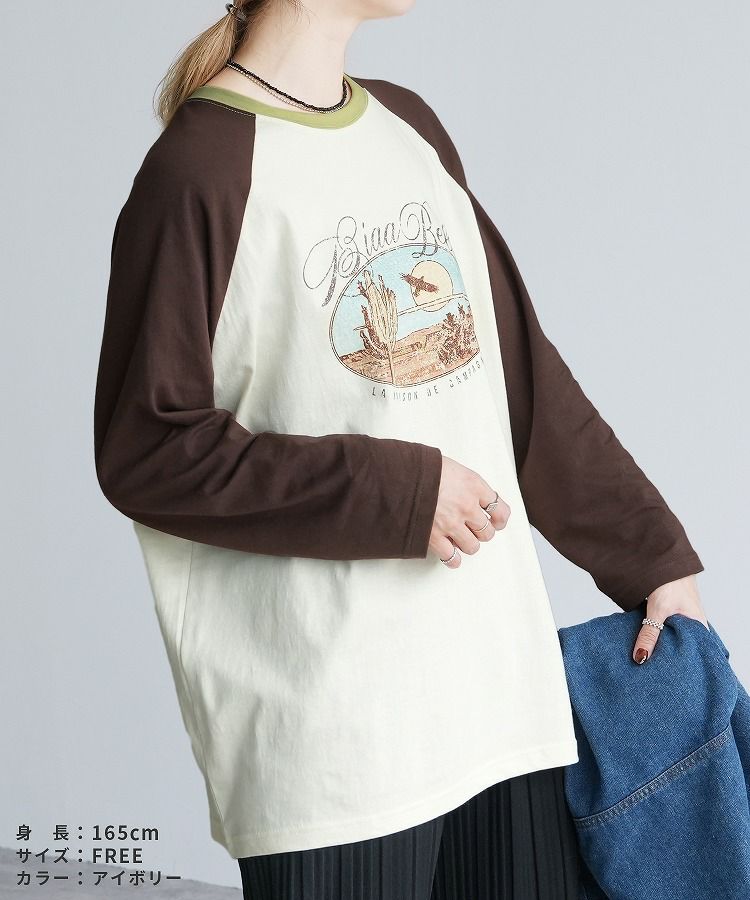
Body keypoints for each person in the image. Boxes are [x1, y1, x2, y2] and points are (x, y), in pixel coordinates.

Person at [93, 1, 709, 897]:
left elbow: (519, 378)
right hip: (336, 748)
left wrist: (652, 556)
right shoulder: (201, 168)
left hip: (500, 703)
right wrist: (399, 493)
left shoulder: (407, 124)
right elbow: (148, 447)